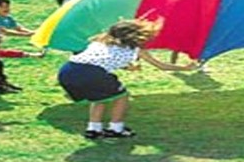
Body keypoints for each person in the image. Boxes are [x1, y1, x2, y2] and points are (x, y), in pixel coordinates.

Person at [57, 19, 196, 139]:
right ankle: (116, 128)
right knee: (122, 97)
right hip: (92, 74)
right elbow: (161, 66)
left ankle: (93, 129)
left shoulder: (99, 42)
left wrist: (129, 67)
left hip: (67, 71)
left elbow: (103, 59)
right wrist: (186, 68)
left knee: (99, 98)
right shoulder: (135, 50)